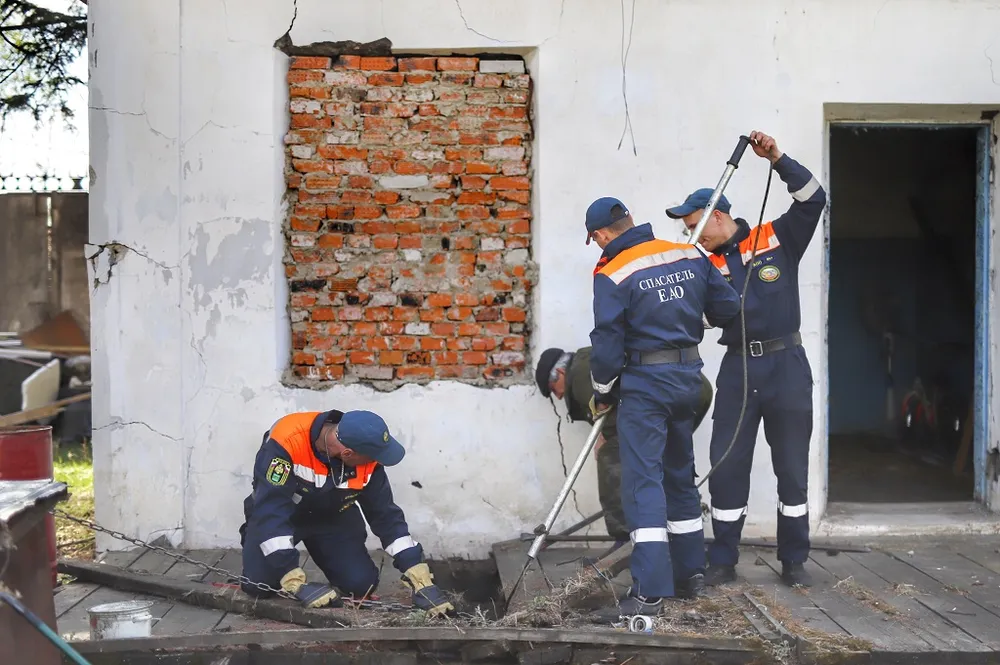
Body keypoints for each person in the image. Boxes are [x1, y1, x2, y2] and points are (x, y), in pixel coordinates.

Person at [665, 130, 826, 588]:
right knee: (727, 465)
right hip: (738, 368)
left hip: (787, 365)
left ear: (716, 218)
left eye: (691, 222)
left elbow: (814, 200)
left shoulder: (777, 237)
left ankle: (794, 559)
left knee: (792, 469)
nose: (686, 231)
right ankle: (723, 559)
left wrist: (777, 159)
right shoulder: (697, 264)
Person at [586, 196, 741, 619]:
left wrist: (602, 390)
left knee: (643, 485)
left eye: (595, 239)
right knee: (679, 475)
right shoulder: (687, 251)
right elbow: (728, 308)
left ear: (600, 236)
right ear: (632, 221)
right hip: (689, 378)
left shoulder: (612, 271)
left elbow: (606, 342)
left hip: (646, 387)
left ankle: (649, 593)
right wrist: (685, 315)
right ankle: (690, 575)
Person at [238, 409, 455, 616]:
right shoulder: (286, 442)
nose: (376, 462)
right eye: (373, 457)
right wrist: (291, 576)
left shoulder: (367, 456)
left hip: (333, 517)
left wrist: (417, 573)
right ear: (348, 453)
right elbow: (270, 510)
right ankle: (254, 541)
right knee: (259, 586)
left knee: (361, 585)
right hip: (283, 520)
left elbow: (385, 515)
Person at [533, 346, 715, 547]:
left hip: (675, 395)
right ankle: (678, 526)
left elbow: (610, 413)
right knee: (666, 458)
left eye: (553, 388)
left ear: (560, 373)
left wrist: (606, 439)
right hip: (693, 391)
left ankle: (625, 536)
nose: (557, 396)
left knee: (611, 457)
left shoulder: (578, 375)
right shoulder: (587, 360)